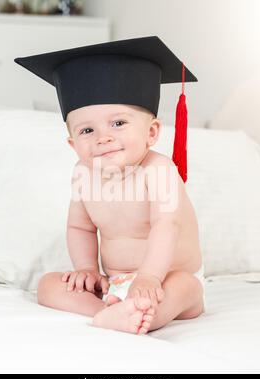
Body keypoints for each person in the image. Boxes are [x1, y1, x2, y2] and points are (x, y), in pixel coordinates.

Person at [14, 36, 205, 335]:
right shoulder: (82, 174)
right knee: (47, 286)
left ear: (152, 132)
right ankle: (109, 311)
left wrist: (149, 278)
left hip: (164, 278)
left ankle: (148, 315)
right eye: (87, 130)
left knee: (187, 287)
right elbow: (81, 228)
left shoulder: (159, 170)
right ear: (72, 143)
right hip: (115, 284)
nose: (103, 137)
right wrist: (88, 270)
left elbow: (167, 226)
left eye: (118, 123)